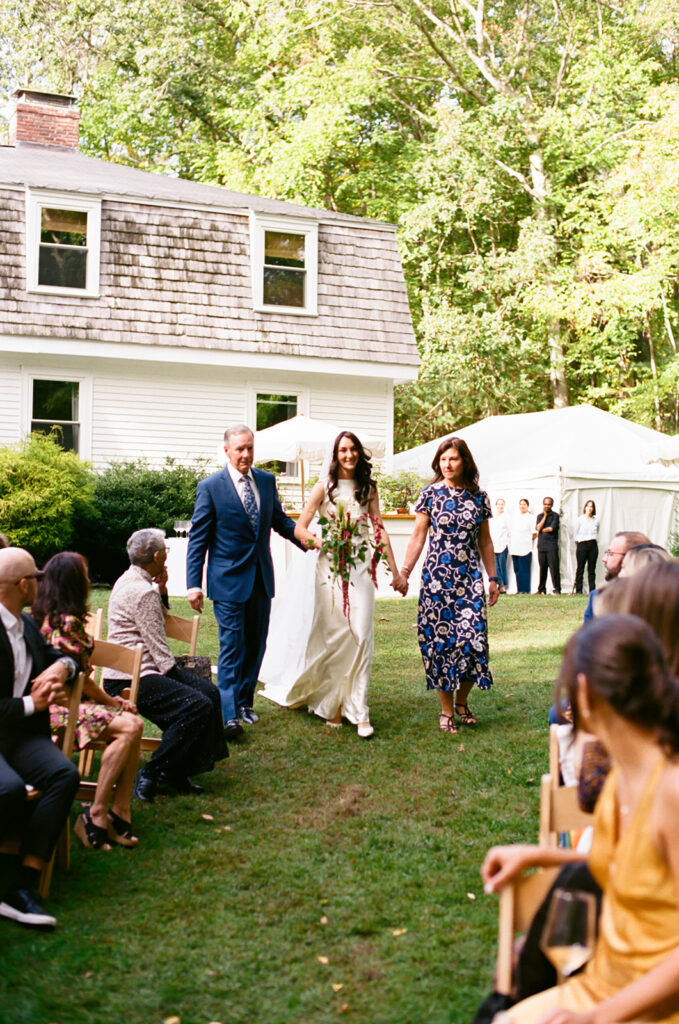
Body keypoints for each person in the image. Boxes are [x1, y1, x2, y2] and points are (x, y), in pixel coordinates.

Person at [484, 614, 679, 1024]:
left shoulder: (671, 791)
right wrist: (539, 855)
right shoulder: (621, 778)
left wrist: (599, 1017)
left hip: (647, 1009)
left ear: (585, 694)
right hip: (598, 989)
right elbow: (627, 867)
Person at [259, 431, 406, 738]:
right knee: (335, 636)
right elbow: (299, 527)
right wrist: (320, 540)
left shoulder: (369, 489)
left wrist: (395, 570)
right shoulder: (323, 488)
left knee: (362, 635)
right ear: (335, 454)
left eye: (353, 450)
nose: (349, 455)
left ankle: (360, 709)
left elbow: (379, 530)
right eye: (343, 450)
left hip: (360, 568)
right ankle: (333, 704)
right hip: (329, 569)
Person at [186, 424, 316, 737]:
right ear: (227, 451)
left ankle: (244, 702)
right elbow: (198, 538)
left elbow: (280, 522)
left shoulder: (267, 481)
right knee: (232, 646)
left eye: (249, 448)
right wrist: (194, 583)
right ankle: (228, 714)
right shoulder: (211, 487)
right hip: (227, 581)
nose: (245, 454)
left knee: (256, 644)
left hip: (260, 577)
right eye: (239, 449)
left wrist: (309, 540)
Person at [104, 529, 227, 803]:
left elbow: (154, 620)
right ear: (157, 556)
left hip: (123, 673)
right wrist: (178, 677)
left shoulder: (127, 580)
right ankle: (152, 772)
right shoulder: (141, 591)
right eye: (166, 553)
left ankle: (180, 768)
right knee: (197, 704)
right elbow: (159, 648)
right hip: (132, 677)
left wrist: (161, 589)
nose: (167, 558)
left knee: (209, 693)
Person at [31, 552, 143, 850]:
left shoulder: (41, 617)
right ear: (73, 583)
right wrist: (113, 702)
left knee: (132, 725)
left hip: (65, 707)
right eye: (85, 576)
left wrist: (112, 702)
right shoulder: (67, 624)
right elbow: (81, 678)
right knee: (131, 728)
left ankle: (118, 810)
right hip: (59, 712)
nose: (90, 581)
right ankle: (97, 812)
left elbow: (78, 677)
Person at [0, 548, 80, 930]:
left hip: (19, 738)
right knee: (10, 790)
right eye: (36, 576)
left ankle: (24, 883)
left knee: (63, 775)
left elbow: (61, 656)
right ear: (22, 585)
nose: (40, 583)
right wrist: (36, 702)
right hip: (7, 731)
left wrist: (62, 668)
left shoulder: (25, 624)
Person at [400, 437, 499, 734]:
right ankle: (446, 709)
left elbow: (485, 541)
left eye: (453, 459)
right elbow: (418, 536)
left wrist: (493, 578)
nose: (447, 464)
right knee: (440, 644)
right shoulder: (430, 494)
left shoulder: (479, 497)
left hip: (468, 581)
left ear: (464, 461)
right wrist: (405, 571)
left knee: (473, 640)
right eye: (443, 459)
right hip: (437, 582)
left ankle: (462, 701)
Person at [583, 530, 649, 621]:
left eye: (610, 554)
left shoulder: (655, 599)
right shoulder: (597, 598)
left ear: (630, 558)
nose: (604, 559)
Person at [535, 497, 560, 595]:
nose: (547, 506)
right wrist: (544, 517)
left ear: (552, 505)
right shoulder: (540, 516)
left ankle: (557, 588)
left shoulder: (555, 516)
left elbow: (551, 529)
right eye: (545, 504)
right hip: (541, 546)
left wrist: (542, 529)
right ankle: (541, 589)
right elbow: (538, 528)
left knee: (554, 568)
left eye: (549, 504)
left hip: (551, 546)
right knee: (542, 568)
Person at [572, 499, 598, 594]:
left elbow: (596, 532)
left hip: (593, 544)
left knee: (591, 569)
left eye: (591, 506)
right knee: (580, 568)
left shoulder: (596, 520)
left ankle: (592, 590)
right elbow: (575, 534)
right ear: (585, 507)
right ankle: (579, 590)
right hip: (582, 544)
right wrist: (579, 545)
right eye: (588, 506)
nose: (589, 508)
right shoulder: (580, 520)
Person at [510, 499, 533, 594]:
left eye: (524, 504)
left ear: (527, 506)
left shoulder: (531, 517)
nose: (522, 506)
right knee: (517, 569)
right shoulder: (515, 517)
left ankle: (525, 590)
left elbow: (534, 533)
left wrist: (526, 539)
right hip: (515, 547)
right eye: (521, 504)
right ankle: (519, 589)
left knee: (524, 570)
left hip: (525, 547)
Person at [490, 498, 510, 593]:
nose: (500, 506)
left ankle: (502, 584)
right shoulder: (492, 517)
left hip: (503, 544)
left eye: (502, 504)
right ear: (496, 505)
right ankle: (501, 584)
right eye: (499, 504)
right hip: (493, 544)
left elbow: (510, 531)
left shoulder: (507, 517)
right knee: (495, 566)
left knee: (502, 566)